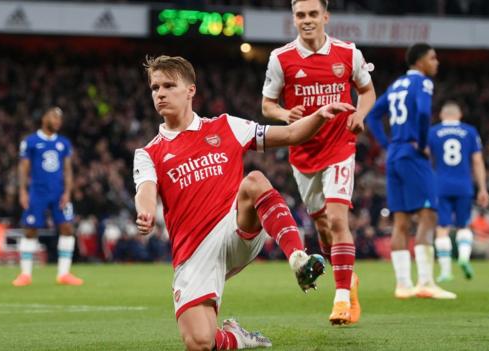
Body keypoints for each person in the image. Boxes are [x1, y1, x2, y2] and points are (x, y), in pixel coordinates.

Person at [135, 55, 353, 350]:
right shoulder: (149, 152)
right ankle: (237, 337)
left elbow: (289, 133)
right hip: (193, 254)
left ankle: (297, 258)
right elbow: (146, 189)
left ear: (190, 90)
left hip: (234, 228)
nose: (160, 93)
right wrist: (145, 211)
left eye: (169, 85)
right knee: (199, 342)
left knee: (253, 181)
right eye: (155, 87)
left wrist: (319, 115)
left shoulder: (227, 126)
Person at [261, 0, 376, 325]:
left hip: (340, 146)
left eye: (313, 14)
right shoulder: (280, 58)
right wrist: (285, 114)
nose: (307, 20)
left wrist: (360, 114)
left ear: (325, 16)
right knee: (324, 229)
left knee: (338, 220)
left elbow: (367, 93)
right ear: (294, 19)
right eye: (301, 15)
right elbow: (268, 105)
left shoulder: (348, 53)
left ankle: (341, 300)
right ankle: (348, 278)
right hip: (303, 153)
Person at [367, 43, 456, 299]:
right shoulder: (423, 83)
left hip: (395, 154)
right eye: (432, 57)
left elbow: (373, 115)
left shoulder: (396, 85)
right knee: (428, 214)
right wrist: (423, 141)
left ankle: (403, 285)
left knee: (401, 221)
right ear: (419, 62)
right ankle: (426, 282)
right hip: (412, 154)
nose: (436, 62)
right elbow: (423, 110)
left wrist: (386, 144)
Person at [12, 107, 83, 287]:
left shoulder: (63, 143)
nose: (58, 121)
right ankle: (25, 274)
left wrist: (68, 191)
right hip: (37, 192)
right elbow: (24, 168)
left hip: (59, 192)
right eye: (54, 117)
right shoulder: (31, 141)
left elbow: (68, 170)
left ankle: (64, 273)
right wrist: (22, 191)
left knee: (67, 228)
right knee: (30, 229)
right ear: (44, 118)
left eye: (60, 118)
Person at [427, 101, 489, 281]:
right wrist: (483, 188)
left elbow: (426, 158)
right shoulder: (470, 131)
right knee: (464, 225)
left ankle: (446, 271)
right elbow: (477, 161)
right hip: (464, 185)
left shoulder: (433, 132)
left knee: (442, 228)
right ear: (460, 115)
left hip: (440, 186)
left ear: (441, 115)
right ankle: (463, 258)